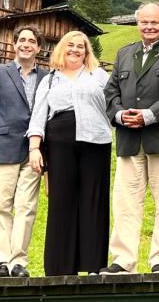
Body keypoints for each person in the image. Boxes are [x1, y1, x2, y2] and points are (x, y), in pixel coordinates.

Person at [104, 2, 159, 274]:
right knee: (125, 202)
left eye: (155, 22)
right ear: (137, 23)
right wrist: (119, 116)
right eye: (145, 22)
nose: (150, 27)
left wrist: (149, 115)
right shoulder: (123, 54)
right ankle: (123, 260)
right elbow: (111, 92)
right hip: (129, 141)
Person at [27, 31, 112, 276]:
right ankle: (60, 267)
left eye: (81, 46)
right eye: (70, 45)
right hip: (59, 141)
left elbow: (113, 105)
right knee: (61, 201)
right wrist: (35, 147)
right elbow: (39, 115)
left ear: (87, 52)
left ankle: (94, 265)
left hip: (95, 142)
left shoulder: (99, 76)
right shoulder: (50, 80)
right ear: (62, 48)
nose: (75, 50)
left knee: (93, 199)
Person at [0, 26, 49, 277]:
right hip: (2, 148)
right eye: (22, 40)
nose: (26, 44)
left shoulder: (47, 77)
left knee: (27, 206)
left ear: (39, 48)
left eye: (32, 41)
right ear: (14, 44)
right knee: (1, 205)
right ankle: (4, 261)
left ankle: (19, 262)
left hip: (33, 151)